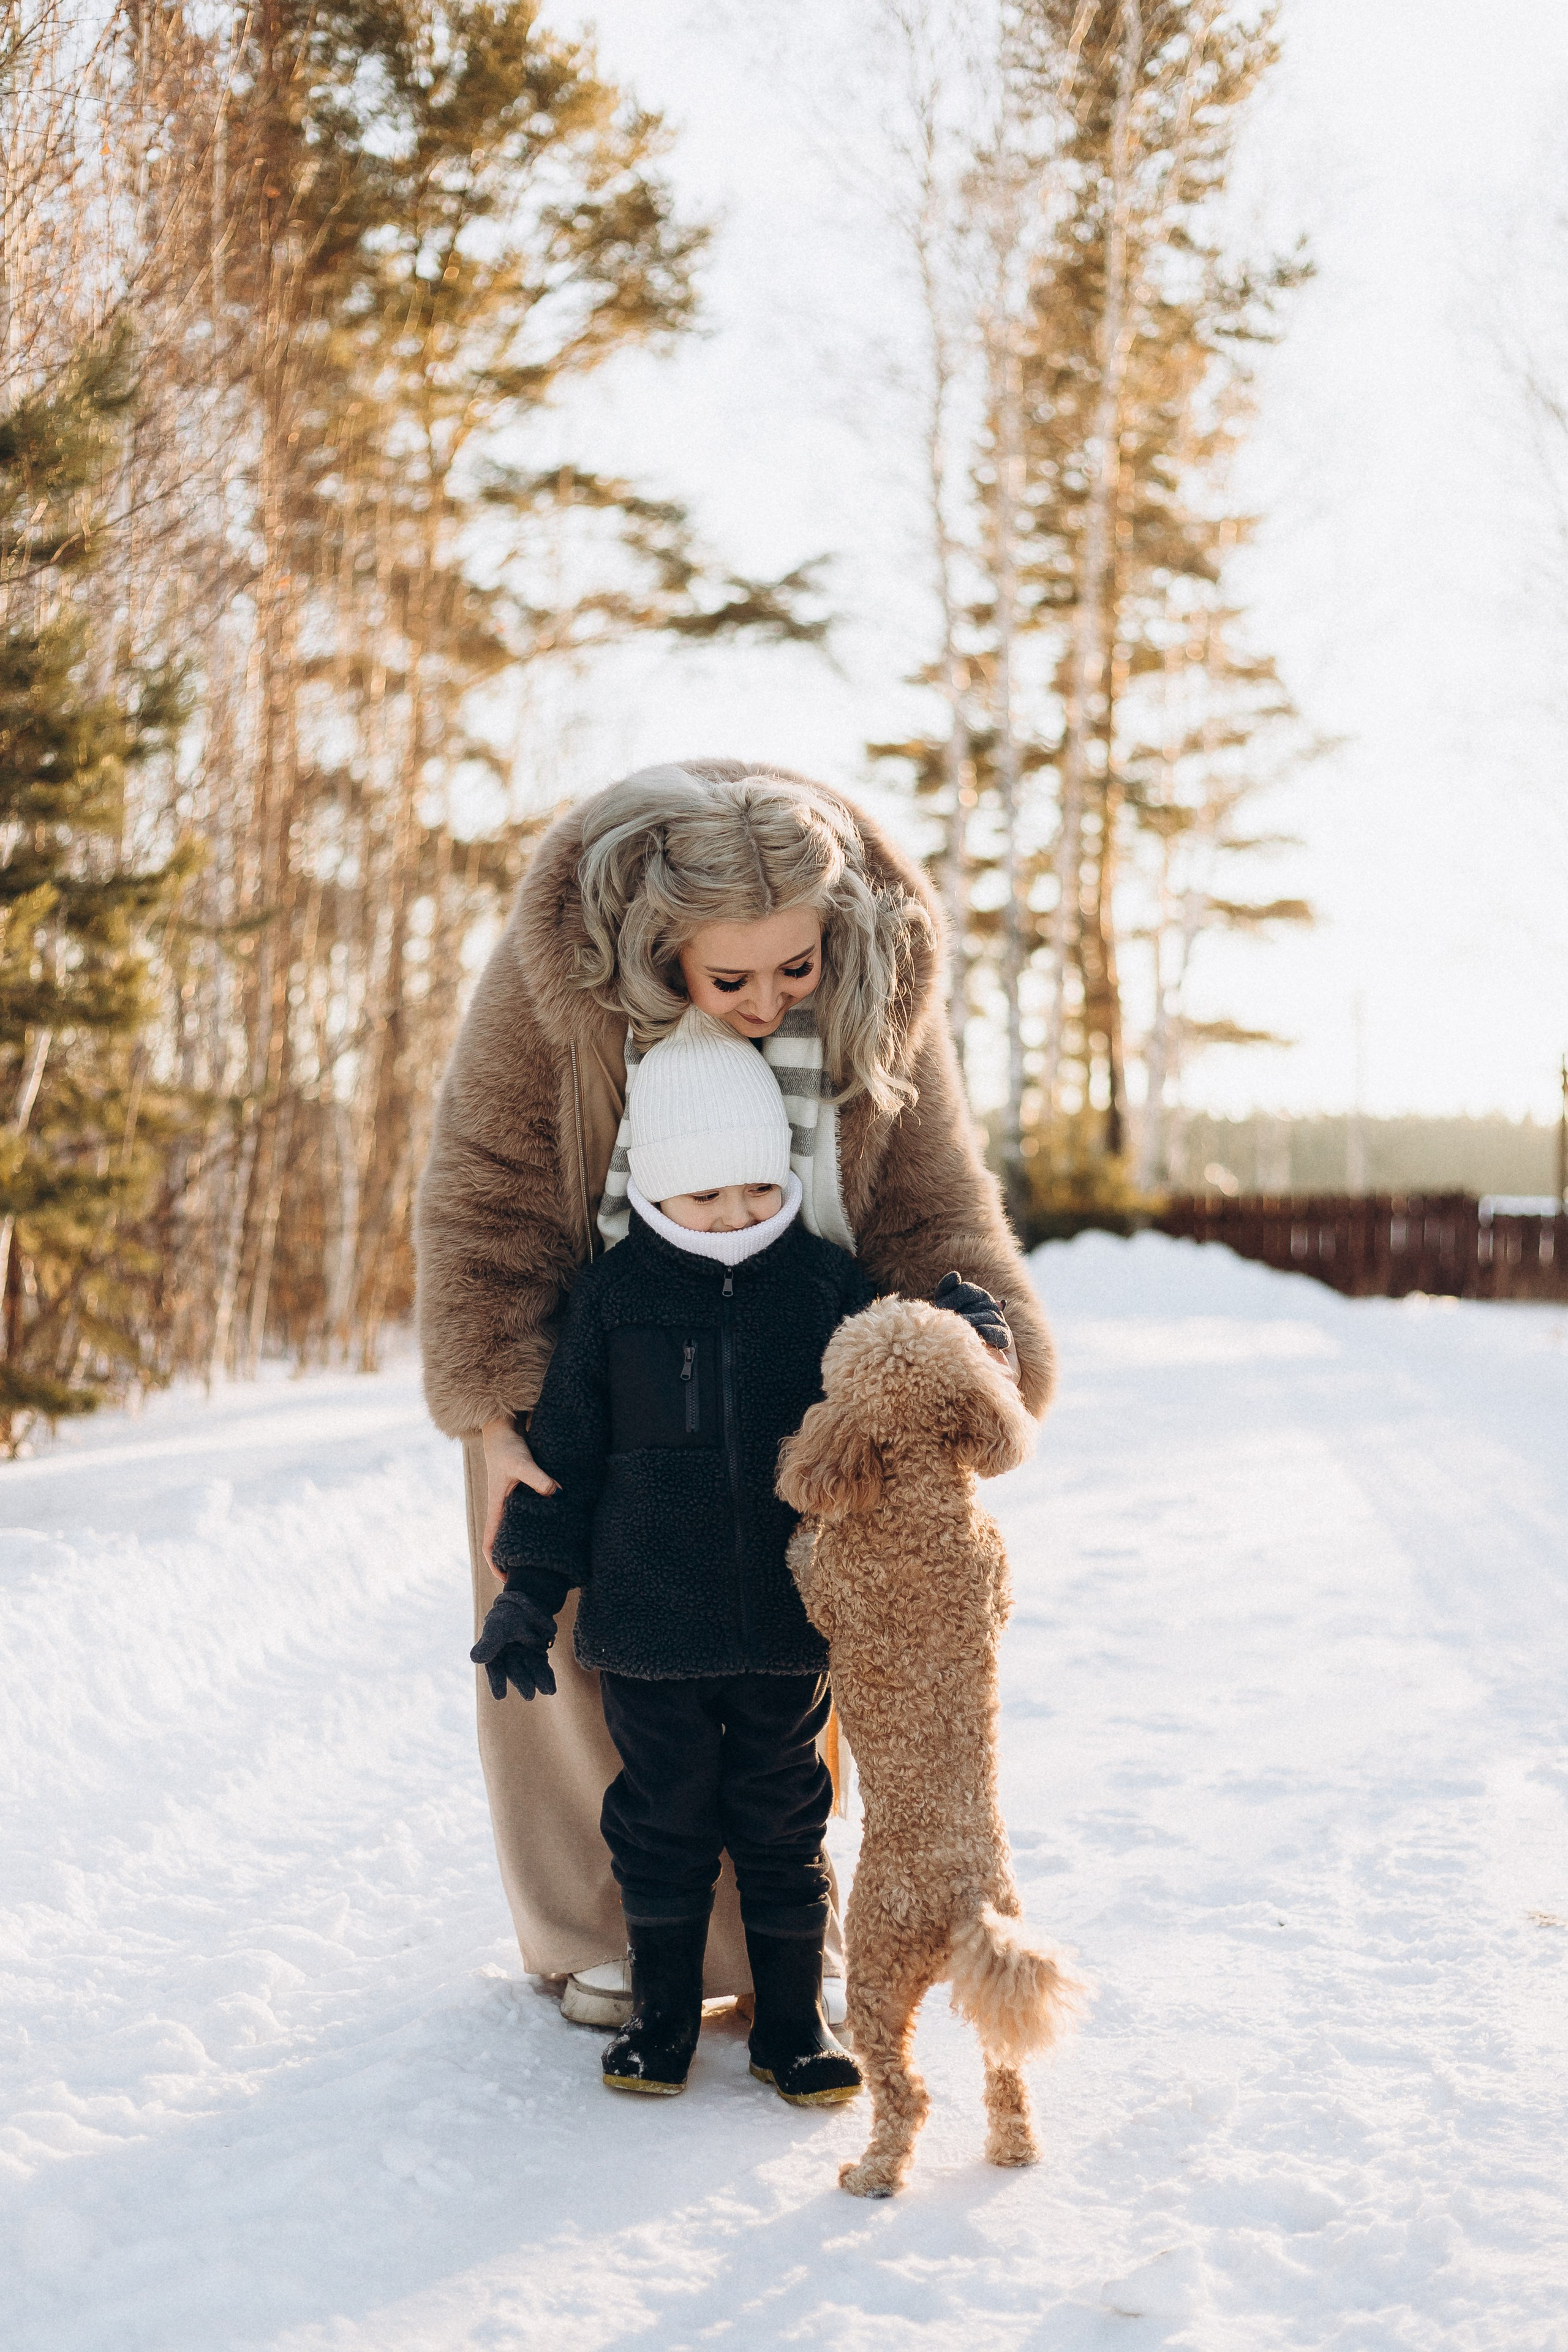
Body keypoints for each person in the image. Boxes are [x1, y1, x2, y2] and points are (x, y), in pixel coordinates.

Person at [415, 760, 1055, 2026]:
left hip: (797, 1340)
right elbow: (483, 1191)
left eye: (794, 970)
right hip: (601, 1338)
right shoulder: (550, 976)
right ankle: (604, 1927)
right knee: (562, 1618)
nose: (768, 1000)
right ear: (656, 949)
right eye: (730, 979)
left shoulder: (884, 966)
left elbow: (929, 1193)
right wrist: (498, 1413)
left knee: (784, 1625)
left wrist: (977, 1355)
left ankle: (777, 1911)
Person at [472, 1009, 873, 2100]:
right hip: (648, 1633)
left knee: (787, 1821)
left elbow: (896, 1402)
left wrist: (965, 1333)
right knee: (661, 1824)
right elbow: (563, 1469)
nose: (736, 1213)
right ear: (653, 1188)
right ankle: (661, 2022)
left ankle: (792, 2026)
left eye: (756, 1187)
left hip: (791, 1630)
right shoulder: (612, 1303)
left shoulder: (828, 1288)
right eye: (705, 1194)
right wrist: (526, 1593)